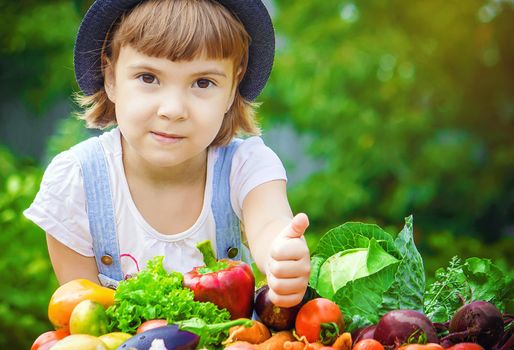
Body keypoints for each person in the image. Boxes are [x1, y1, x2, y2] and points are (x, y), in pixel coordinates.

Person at [24, 0, 310, 308]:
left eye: (203, 82)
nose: (173, 110)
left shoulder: (245, 166)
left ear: (232, 88)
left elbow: (269, 222)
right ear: (110, 77)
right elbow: (83, 317)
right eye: (148, 78)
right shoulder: (78, 182)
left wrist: (280, 255)